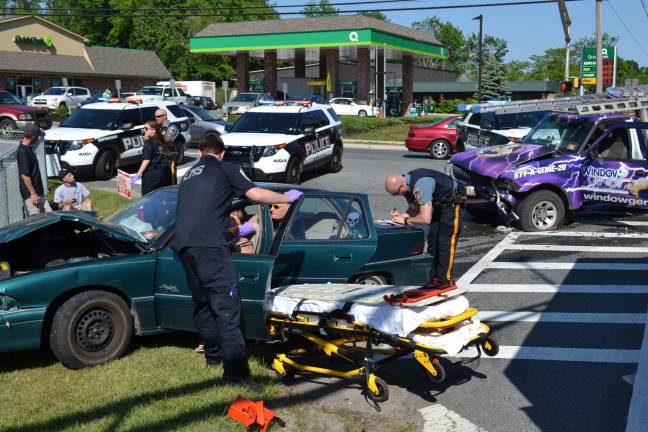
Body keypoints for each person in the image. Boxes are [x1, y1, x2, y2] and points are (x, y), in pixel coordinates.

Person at [175, 133, 303, 390]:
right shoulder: (225, 168)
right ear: (221, 153)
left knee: (202, 303)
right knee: (226, 308)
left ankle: (213, 357)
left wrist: (237, 230)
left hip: (185, 246)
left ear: (201, 151)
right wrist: (287, 198)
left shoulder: (187, 175)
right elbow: (254, 195)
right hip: (211, 247)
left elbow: (201, 210)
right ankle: (236, 374)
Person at [385, 169, 466, 288]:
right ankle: (433, 278)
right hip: (439, 203)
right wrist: (401, 216)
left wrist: (406, 221)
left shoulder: (420, 185)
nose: (397, 196)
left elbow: (425, 218)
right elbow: (414, 208)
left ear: (402, 184)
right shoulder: (407, 187)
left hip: (453, 203)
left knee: (445, 243)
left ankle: (445, 281)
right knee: (433, 241)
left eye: (396, 193)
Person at [18, 124, 51, 217]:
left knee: (50, 217)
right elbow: (25, 175)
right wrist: (33, 193)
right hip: (32, 195)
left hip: (39, 192)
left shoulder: (27, 147)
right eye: (37, 137)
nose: (38, 139)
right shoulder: (23, 152)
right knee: (36, 221)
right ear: (33, 137)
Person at [132, 121, 172, 196]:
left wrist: (137, 175)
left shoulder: (149, 142)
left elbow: (146, 160)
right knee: (159, 197)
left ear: (153, 130)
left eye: (146, 128)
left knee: (147, 197)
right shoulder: (162, 141)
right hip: (162, 174)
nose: (144, 130)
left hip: (151, 175)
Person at [155, 108, 181, 184]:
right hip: (161, 159)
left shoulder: (172, 127)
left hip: (169, 159)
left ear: (165, 116)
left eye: (159, 116)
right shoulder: (159, 128)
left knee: (171, 183)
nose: (156, 118)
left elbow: (165, 141)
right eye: (156, 116)